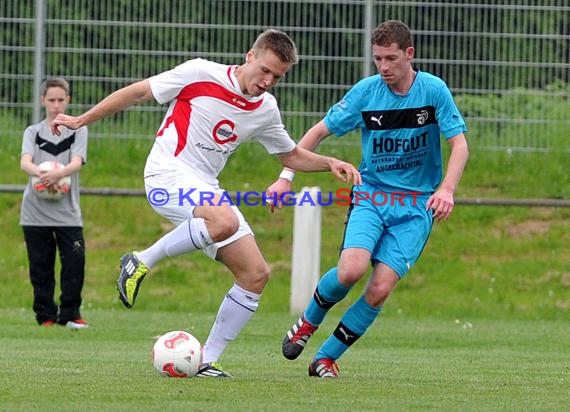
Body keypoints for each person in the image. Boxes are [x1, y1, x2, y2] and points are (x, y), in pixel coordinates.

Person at [50, 29, 361, 377]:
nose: (268, 81)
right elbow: (138, 92)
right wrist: (80, 120)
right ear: (250, 56)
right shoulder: (200, 72)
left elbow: (288, 154)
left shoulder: (265, 109)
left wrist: (328, 162)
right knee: (223, 221)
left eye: (277, 77)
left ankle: (204, 360)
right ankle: (140, 260)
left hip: (204, 187)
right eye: (265, 70)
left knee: (255, 274)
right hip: (166, 173)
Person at [268, 20, 469, 378]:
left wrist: (447, 190)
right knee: (351, 270)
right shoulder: (366, 93)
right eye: (378, 59)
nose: (384, 67)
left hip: (415, 207)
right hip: (371, 196)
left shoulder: (434, 91)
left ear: (410, 54)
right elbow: (316, 132)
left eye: (391, 58)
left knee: (378, 289)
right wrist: (286, 177)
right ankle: (307, 324)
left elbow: (460, 145)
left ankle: (325, 359)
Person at [20, 77, 89, 330]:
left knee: (75, 261)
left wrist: (58, 174)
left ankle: (71, 314)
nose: (56, 105)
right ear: (43, 101)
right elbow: (25, 162)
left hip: (67, 214)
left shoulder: (79, 130)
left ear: (68, 100)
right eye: (52, 100)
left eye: (61, 100)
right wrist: (41, 173)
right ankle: (46, 317)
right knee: (41, 267)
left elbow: (77, 162)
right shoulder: (32, 132)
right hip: (34, 214)